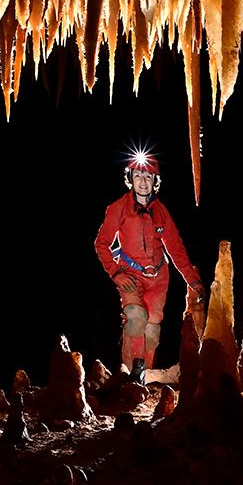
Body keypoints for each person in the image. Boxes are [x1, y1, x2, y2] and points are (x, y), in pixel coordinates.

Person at [93, 151, 205, 383]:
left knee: (152, 329)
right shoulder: (118, 208)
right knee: (135, 319)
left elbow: (175, 248)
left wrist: (192, 280)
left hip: (158, 277)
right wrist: (116, 273)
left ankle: (145, 376)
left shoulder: (161, 211)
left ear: (155, 181)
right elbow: (101, 243)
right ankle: (129, 374)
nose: (143, 181)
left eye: (148, 177)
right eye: (138, 176)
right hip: (130, 274)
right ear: (131, 179)